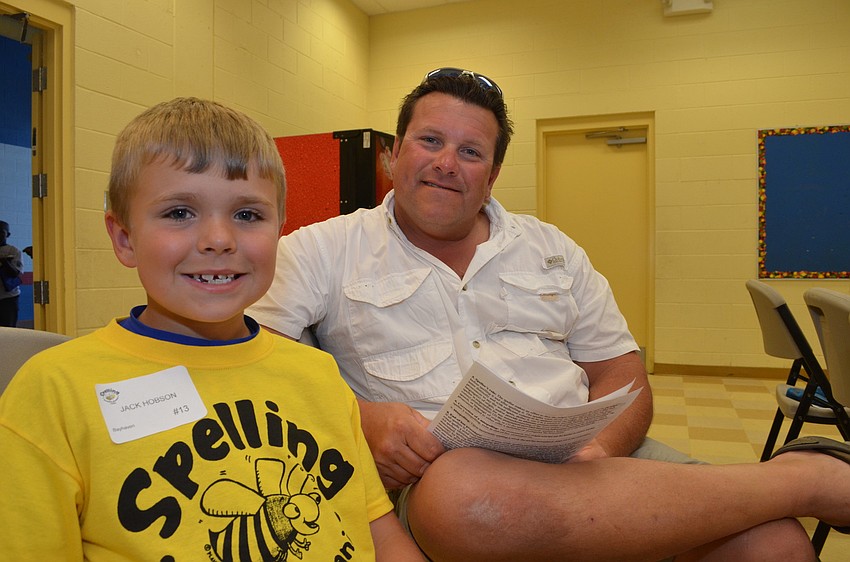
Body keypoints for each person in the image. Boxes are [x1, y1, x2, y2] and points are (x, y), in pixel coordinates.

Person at [248, 68, 850, 561]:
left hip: (588, 462)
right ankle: (804, 479)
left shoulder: (554, 249)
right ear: (393, 152)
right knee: (466, 499)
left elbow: (625, 376)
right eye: (430, 141)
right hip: (440, 482)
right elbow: (255, 361)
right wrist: (362, 419)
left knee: (776, 545)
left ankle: (795, 485)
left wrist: (602, 452)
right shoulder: (319, 249)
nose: (446, 163)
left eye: (470, 151)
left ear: (493, 174)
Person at [0, 98, 424, 561]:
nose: (219, 240)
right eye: (179, 213)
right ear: (124, 238)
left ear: (280, 229)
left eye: (247, 215)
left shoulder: (319, 376)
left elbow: (376, 529)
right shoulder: (54, 391)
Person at [0, 220, 23, 327]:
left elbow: (15, 273)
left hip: (9, 298)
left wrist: (5, 262)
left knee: (8, 328)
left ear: (7, 234)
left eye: (1, 232)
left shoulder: (13, 251)